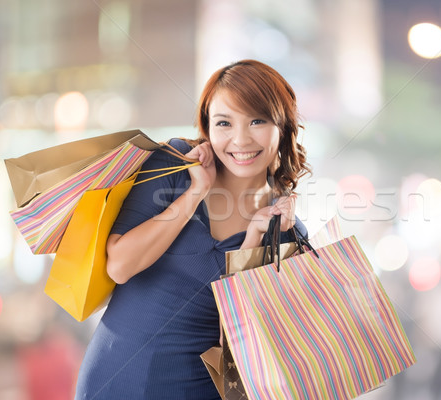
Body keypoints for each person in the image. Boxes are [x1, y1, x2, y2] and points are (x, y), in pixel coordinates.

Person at [75, 59, 310, 399]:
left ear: (283, 126)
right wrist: (195, 192)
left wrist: (253, 239)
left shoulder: (285, 232)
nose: (240, 140)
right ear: (207, 127)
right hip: (114, 379)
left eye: (257, 120)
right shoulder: (175, 164)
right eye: (224, 123)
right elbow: (120, 266)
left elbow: (246, 348)